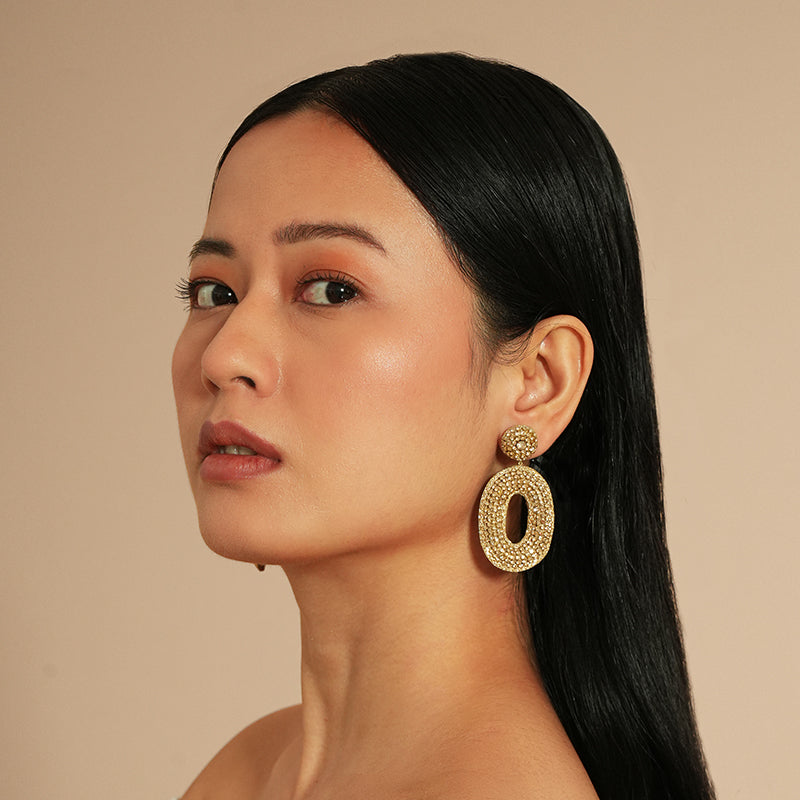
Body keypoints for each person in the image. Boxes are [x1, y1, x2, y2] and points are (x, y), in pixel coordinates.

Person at [172, 52, 715, 799]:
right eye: (214, 290)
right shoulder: (247, 770)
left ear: (538, 381)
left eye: (330, 288)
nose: (226, 353)